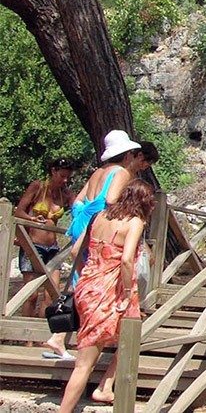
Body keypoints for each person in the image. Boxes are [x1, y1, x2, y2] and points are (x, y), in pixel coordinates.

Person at [44, 132, 156, 360]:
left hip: (83, 222)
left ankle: (64, 335)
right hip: (99, 227)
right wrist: (124, 219)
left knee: (83, 278)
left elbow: (78, 202)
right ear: (127, 155)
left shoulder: (98, 172)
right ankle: (79, 335)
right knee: (97, 280)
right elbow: (111, 200)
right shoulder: (121, 173)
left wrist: (82, 219)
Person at [58, 179, 154, 413]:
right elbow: (126, 259)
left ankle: (105, 386)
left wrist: (90, 272)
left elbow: (74, 251)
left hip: (88, 285)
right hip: (111, 291)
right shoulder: (134, 222)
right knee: (85, 364)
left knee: (129, 337)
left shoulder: (99, 216)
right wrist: (130, 292)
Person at [14, 158, 76, 319]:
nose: (65, 180)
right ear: (53, 171)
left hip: (53, 249)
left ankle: (40, 334)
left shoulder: (64, 194)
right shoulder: (38, 187)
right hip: (32, 246)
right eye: (62, 176)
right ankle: (26, 338)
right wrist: (32, 219)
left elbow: (78, 209)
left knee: (52, 294)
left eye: (67, 177)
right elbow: (18, 212)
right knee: (31, 294)